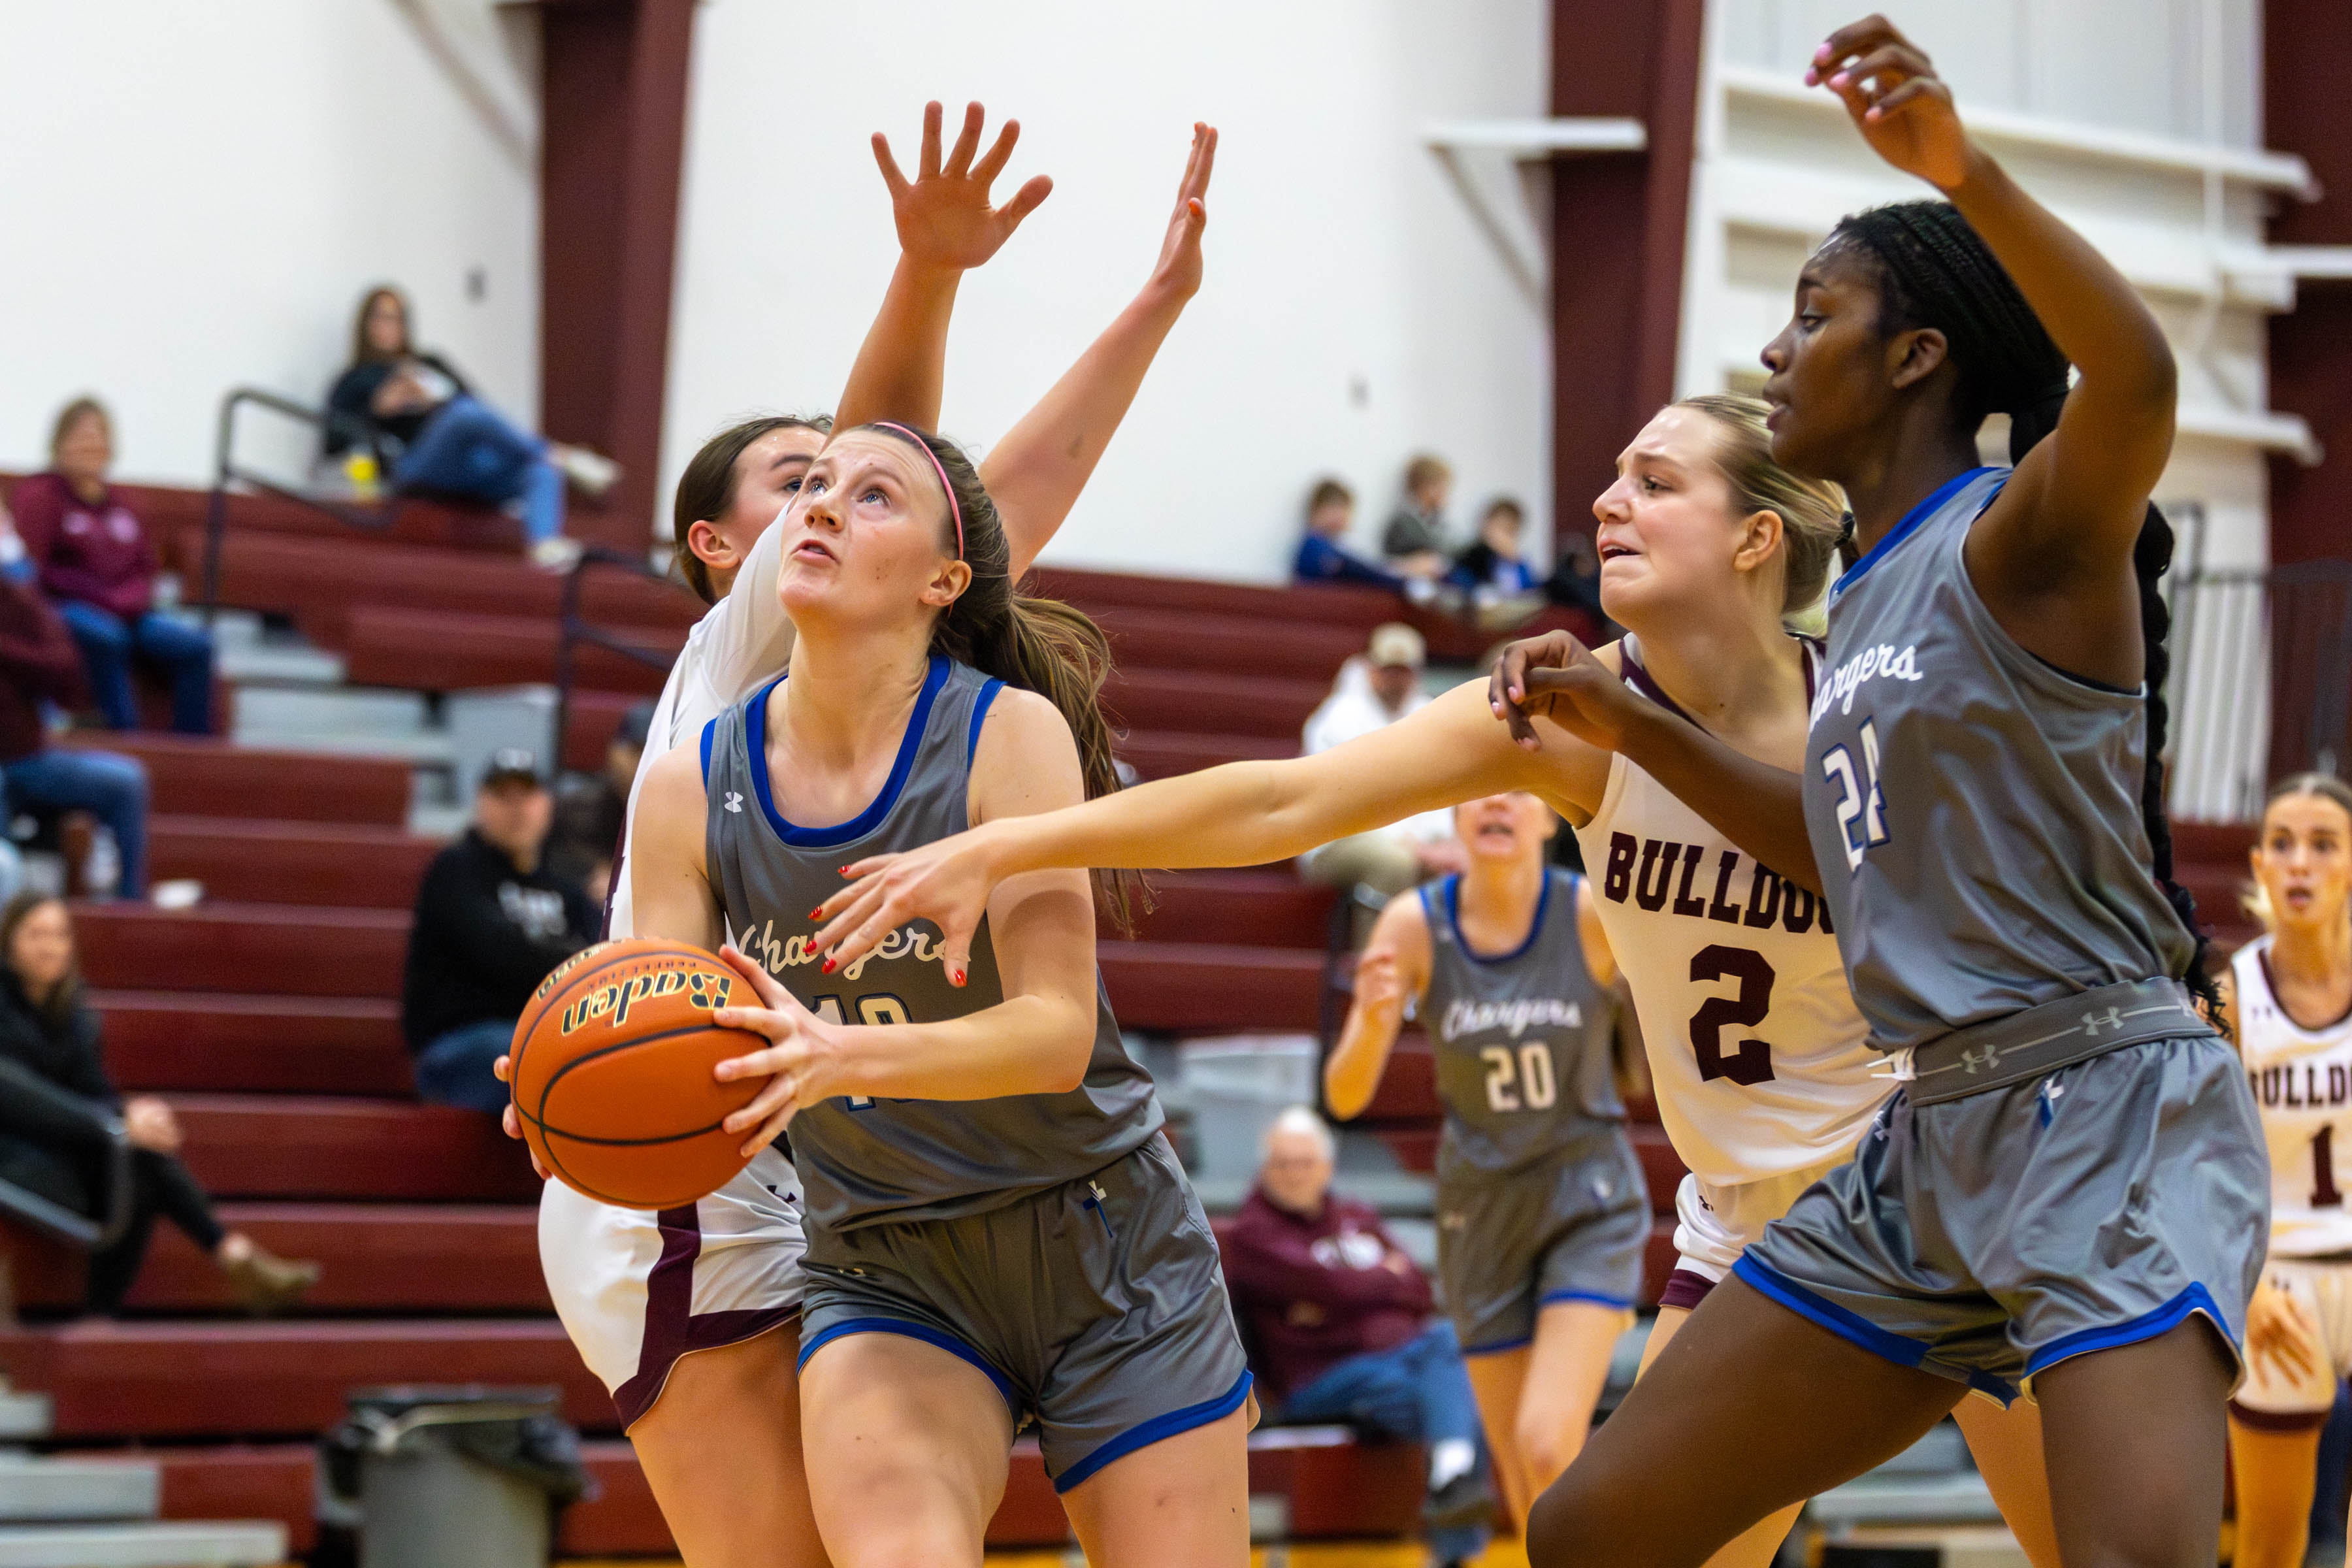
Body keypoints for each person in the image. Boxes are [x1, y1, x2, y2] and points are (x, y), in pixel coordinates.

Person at [798, 393, 2059, 1568]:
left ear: (1755, 540)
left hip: (1938, 1190)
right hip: (1752, 1227)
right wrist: (1007, 838)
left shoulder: (1873, 716)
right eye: (1613, 477)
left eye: (1656, 480)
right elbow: (1289, 800)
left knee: (2100, 1544)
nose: (1608, 501)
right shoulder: (1572, 713)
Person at [1479, 22, 2255, 1566]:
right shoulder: (1862, 607)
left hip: (2102, 1107)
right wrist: (1623, 722)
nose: (1772, 349)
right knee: (1590, 1527)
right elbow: (1837, 865)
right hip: (1927, 1135)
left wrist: (1962, 172)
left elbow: (2143, 373)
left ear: (1916, 357)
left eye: (1810, 315)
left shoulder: (2020, 541)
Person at [511, 106, 1222, 1568]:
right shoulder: (736, 664)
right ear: (725, 549)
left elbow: (994, 493)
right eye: (796, 478)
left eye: (852, 485)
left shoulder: (967, 702)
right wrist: (929, 278)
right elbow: (897, 444)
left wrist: (1151, 307)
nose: (825, 488)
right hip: (709, 1183)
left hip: (986, 1193)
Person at [628, 416, 1254, 1567]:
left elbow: (1057, 1036)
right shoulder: (686, 789)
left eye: (873, 496)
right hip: (887, 1263)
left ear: (941, 579)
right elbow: (676, 1039)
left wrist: (838, 1056)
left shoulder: (1005, 734)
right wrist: (605, 1114)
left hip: (1105, 1245)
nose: (821, 504)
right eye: (815, 482)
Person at [1326, 791, 1641, 1534]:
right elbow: (1344, 1095)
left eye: (1518, 789)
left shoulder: (1593, 915)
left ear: (1551, 817)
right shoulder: (1415, 925)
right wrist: (1373, 1025)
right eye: (1478, 789)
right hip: (1480, 1209)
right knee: (1518, 1471)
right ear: (1455, 817)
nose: (1495, 800)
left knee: (1547, 1439)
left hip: (1586, 1196)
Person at [0, 893, 315, 1314]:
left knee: (143, 1157)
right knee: (136, 1156)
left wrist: (131, 1117)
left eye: (60, 935)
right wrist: (114, 1126)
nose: (50, 946)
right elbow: (18, 1098)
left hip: (67, 1155)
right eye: (36, 934)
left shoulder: (74, 1013)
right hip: (13, 1158)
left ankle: (108, 1317)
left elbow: (97, 1094)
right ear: (8, 944)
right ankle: (226, 1255)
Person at [1222, 1106, 1494, 1568]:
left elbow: (1419, 1288)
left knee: (1450, 1343)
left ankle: (1451, 1473)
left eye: (1305, 1163)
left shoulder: (1356, 1215)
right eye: (1283, 1163)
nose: (1294, 1174)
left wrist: (1339, 1296)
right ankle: (1454, 1528)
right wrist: (1376, 1280)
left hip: (1399, 1362)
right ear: (1265, 1169)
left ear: (1327, 1168)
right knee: (1460, 1394)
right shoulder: (1251, 1235)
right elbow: (1326, 1284)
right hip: (1318, 1381)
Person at [2223, 774, 2352, 1568]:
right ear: (2259, 865)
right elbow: (2197, 1162)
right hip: (2280, 1281)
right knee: (2272, 1543)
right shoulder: (2232, 996)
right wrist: (2243, 1276)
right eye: (2282, 844)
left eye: (2323, 844)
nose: (2300, 863)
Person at [325, 287, 617, 570]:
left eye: (397, 318)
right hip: (413, 467)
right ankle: (563, 455)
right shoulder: (354, 380)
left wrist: (435, 398)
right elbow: (333, 444)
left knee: (539, 467)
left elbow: (481, 409)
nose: (389, 326)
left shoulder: (430, 362)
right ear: (366, 324)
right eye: (381, 317)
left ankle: (545, 545)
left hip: (467, 466)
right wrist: (377, 409)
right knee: (462, 415)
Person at [403, 749, 596, 1111]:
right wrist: (581, 961)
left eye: (527, 795)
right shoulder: (455, 870)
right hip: (459, 1047)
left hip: (545, 1037)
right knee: (548, 1058)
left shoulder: (567, 888)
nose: (517, 808)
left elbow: (606, 951)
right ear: (480, 803)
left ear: (548, 805)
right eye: (503, 796)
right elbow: (504, 954)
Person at [10, 400, 214, 735]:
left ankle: (192, 751)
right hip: (66, 609)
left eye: (98, 438)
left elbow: (147, 571)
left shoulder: (126, 504)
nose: (90, 446)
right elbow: (34, 570)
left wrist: (127, 602)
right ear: (59, 444)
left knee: (196, 646)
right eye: (80, 438)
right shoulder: (41, 495)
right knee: (107, 636)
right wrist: (104, 601)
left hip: (130, 612)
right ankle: (129, 739)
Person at [0, 509, 148, 900]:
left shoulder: (15, 596)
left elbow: (65, 669)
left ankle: (129, 906)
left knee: (126, 780)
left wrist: (19, 579)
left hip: (25, 756)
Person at [1296, 623, 1461, 898]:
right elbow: (1347, 800)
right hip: (1333, 840)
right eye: (1388, 670)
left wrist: (1443, 841)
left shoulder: (1429, 714)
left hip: (1414, 841)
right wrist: (1411, 844)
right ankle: (1377, 942)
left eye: (1403, 670)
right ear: (1371, 669)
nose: (1395, 679)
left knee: (1466, 865)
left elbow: (1442, 788)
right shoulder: (1339, 718)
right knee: (1395, 863)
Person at [549, 698, 654, 904]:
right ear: (614, 750)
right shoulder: (572, 809)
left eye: (651, 752)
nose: (642, 762)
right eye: (636, 751)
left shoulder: (675, 815)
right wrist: (586, 877)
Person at [1294, 478, 1413, 591]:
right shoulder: (1313, 545)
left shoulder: (1332, 547)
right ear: (1318, 509)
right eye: (1335, 508)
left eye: (1344, 510)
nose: (1342, 517)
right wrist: (1400, 579)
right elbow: (1352, 569)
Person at [1382, 454, 1453, 578]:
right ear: (1422, 486)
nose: (1444, 492)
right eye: (1439, 486)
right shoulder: (1404, 522)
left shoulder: (1437, 522)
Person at [1448, 498, 1535, 596]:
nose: (1500, 536)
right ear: (1485, 525)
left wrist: (1514, 563)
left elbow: (1529, 590)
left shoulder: (1518, 562)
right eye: (1497, 527)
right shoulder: (1472, 555)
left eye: (1508, 531)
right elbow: (1459, 581)